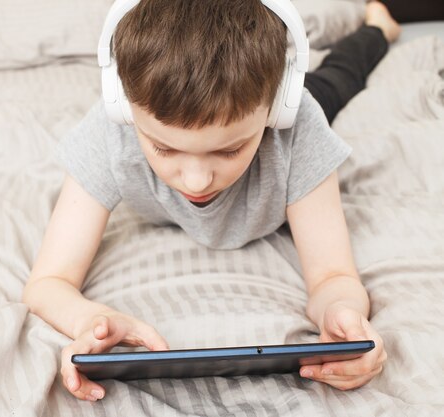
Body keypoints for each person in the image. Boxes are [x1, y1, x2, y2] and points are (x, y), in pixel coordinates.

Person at [23, 0, 399, 402]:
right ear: (122, 105)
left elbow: (332, 277)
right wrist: (92, 319)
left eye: (230, 149)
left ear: (276, 108)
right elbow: (48, 283)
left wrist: (342, 314)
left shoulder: (298, 125)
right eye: (165, 149)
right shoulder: (108, 132)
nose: (198, 179)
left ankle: (377, 28)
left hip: (309, 104)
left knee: (338, 78)